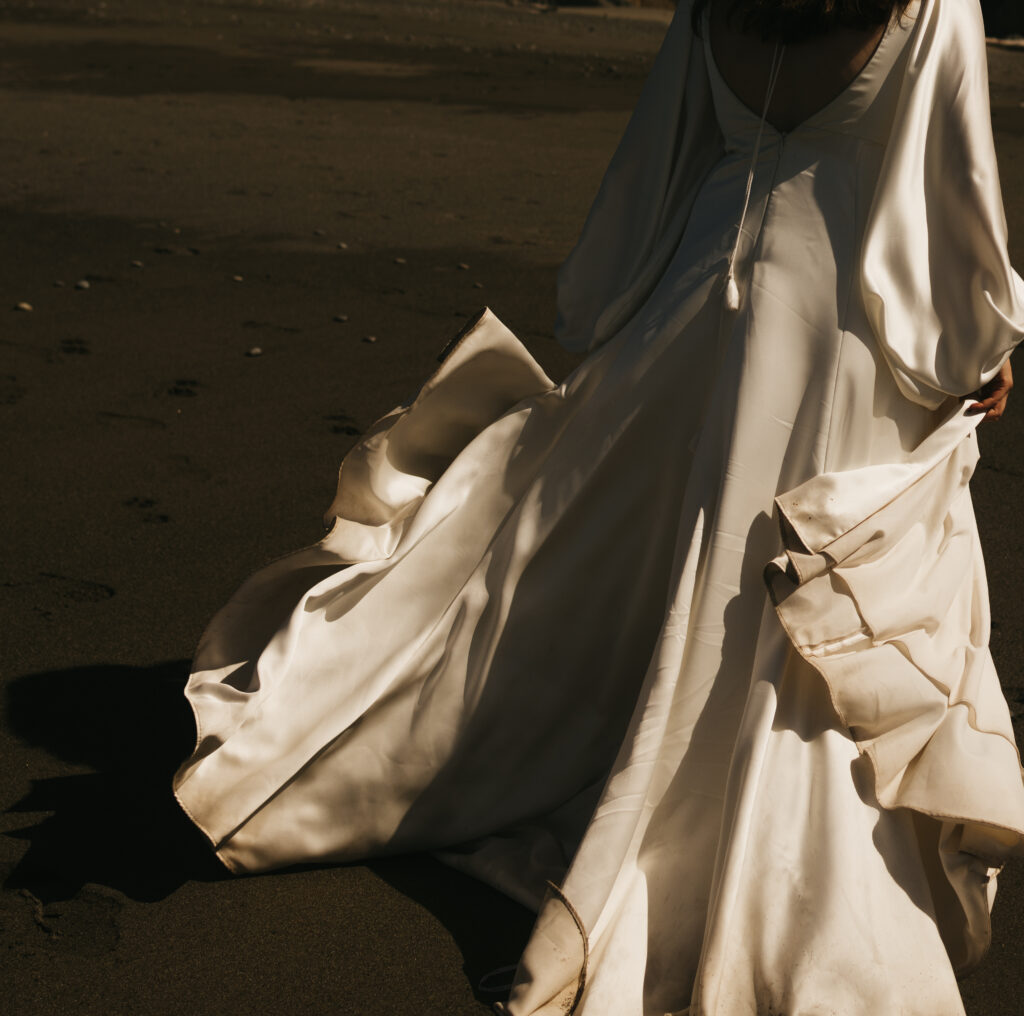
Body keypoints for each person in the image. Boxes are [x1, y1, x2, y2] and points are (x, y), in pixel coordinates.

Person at [173, 0, 1024, 1012]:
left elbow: (658, 153)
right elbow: (948, 175)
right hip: (834, 306)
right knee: (778, 574)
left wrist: (606, 303)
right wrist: (976, 346)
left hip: (702, 281)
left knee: (660, 538)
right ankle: (706, 804)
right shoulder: (928, 6)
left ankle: (590, 747)